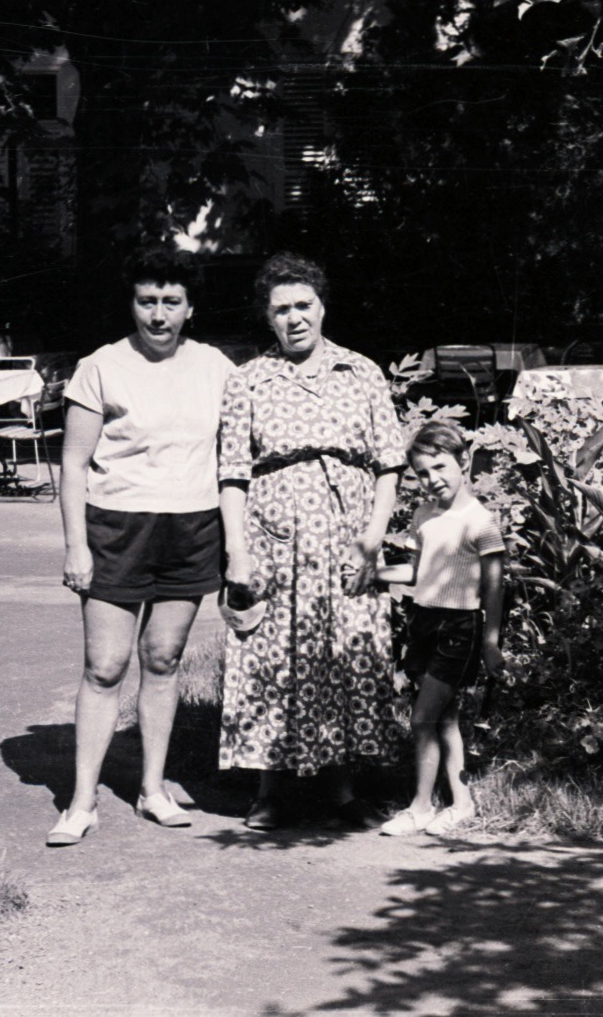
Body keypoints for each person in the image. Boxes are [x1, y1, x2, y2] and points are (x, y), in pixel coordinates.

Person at [218, 252, 408, 829]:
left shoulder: (362, 372)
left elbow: (389, 462)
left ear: (322, 307)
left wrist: (374, 535)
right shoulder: (247, 379)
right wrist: (238, 551)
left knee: (344, 651)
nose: (295, 318)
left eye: (304, 305)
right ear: (268, 319)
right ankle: (268, 789)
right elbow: (232, 473)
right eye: (282, 310)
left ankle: (342, 789)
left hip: (347, 542)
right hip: (273, 541)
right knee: (270, 657)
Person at [48, 262, 234, 846]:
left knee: (163, 659)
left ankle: (154, 789)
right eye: (148, 300)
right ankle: (82, 802)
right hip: (116, 530)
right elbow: (74, 464)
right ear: (131, 304)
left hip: (193, 526)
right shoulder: (100, 367)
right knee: (104, 667)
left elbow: (237, 457)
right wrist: (76, 546)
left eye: (171, 301)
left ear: (190, 308)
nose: (159, 314)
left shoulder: (217, 368)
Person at [376, 421, 506, 837]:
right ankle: (461, 802)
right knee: (444, 719)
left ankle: (420, 806)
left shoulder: (480, 521)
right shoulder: (422, 516)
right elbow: (416, 572)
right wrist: (373, 573)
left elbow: (494, 586)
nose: (432, 480)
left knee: (422, 718)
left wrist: (490, 642)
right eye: (422, 474)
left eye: (439, 467)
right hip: (424, 621)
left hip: (460, 627)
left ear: (463, 462)